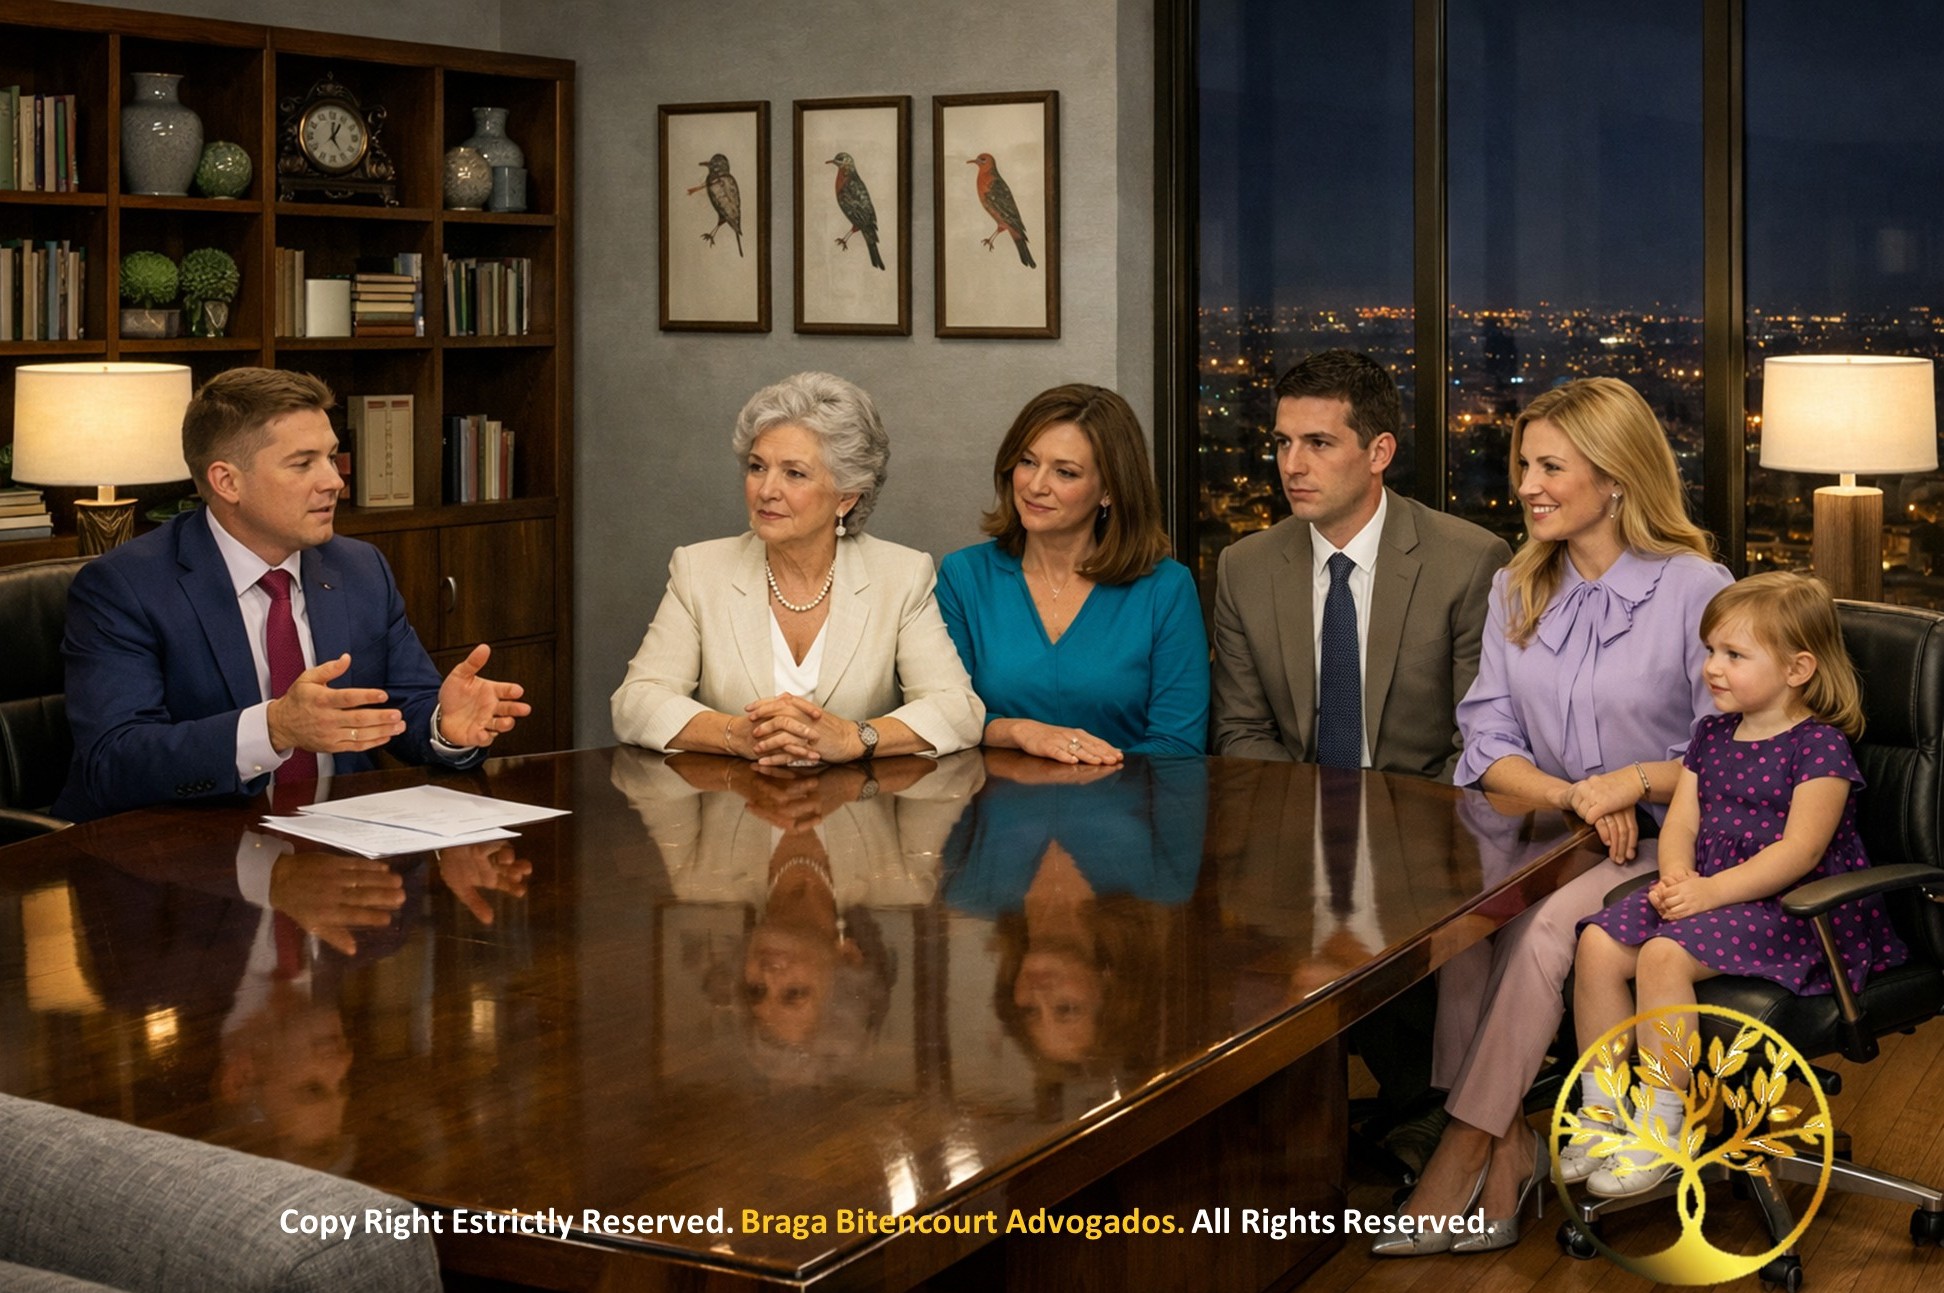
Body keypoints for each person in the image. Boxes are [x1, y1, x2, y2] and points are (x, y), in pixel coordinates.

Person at [1377, 376, 1733, 1257]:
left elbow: (1732, 754)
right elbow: (1484, 737)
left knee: (1539, 933)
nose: (1526, 484)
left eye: (1549, 466)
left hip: (1669, 841)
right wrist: (1571, 794)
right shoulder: (1516, 587)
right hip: (1555, 833)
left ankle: (1463, 1149)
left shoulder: (1696, 588)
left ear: (1614, 477)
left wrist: (1627, 783)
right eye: (1522, 464)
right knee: (1461, 929)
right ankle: (1511, 1150)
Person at [56, 368, 529, 822]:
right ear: (227, 482)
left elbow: (401, 706)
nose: (334, 481)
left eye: (330, 456)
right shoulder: (124, 587)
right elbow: (113, 762)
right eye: (303, 463)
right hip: (185, 864)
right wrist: (274, 728)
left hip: (343, 849)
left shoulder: (360, 568)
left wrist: (444, 727)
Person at [1569, 573, 1907, 1196]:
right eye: (1710, 652)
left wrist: (1710, 893)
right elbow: (1683, 822)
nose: (1711, 669)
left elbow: (1800, 854)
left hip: (1794, 910)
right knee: (1595, 946)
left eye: (1734, 655)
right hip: (1711, 891)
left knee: (1663, 954)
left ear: (1797, 667)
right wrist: (1676, 873)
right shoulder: (1711, 736)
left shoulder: (1820, 749)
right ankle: (1603, 1114)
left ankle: (1665, 1130)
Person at [611, 371, 983, 763]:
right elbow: (635, 703)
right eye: (757, 467)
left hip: (859, 812)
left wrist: (855, 737)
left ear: (847, 497)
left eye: (794, 473)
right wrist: (735, 734)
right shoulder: (700, 569)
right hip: (732, 807)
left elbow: (958, 710)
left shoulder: (902, 575)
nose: (766, 490)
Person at [1211, 349, 1511, 779]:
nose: (1292, 466)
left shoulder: (1469, 562)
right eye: (1283, 443)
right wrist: (1316, 817)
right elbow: (1240, 730)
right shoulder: (1244, 568)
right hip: (1293, 816)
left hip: (1425, 820)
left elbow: (1479, 739)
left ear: (1379, 453)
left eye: (1318, 443)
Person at [936, 383, 1207, 762]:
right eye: (1028, 462)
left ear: (1109, 491)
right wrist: (1020, 731)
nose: (1035, 485)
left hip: (1124, 810)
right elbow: (944, 715)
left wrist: (1083, 785)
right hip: (995, 811)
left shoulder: (1166, 589)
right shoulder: (964, 576)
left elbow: (1177, 745)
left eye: (1065, 472)